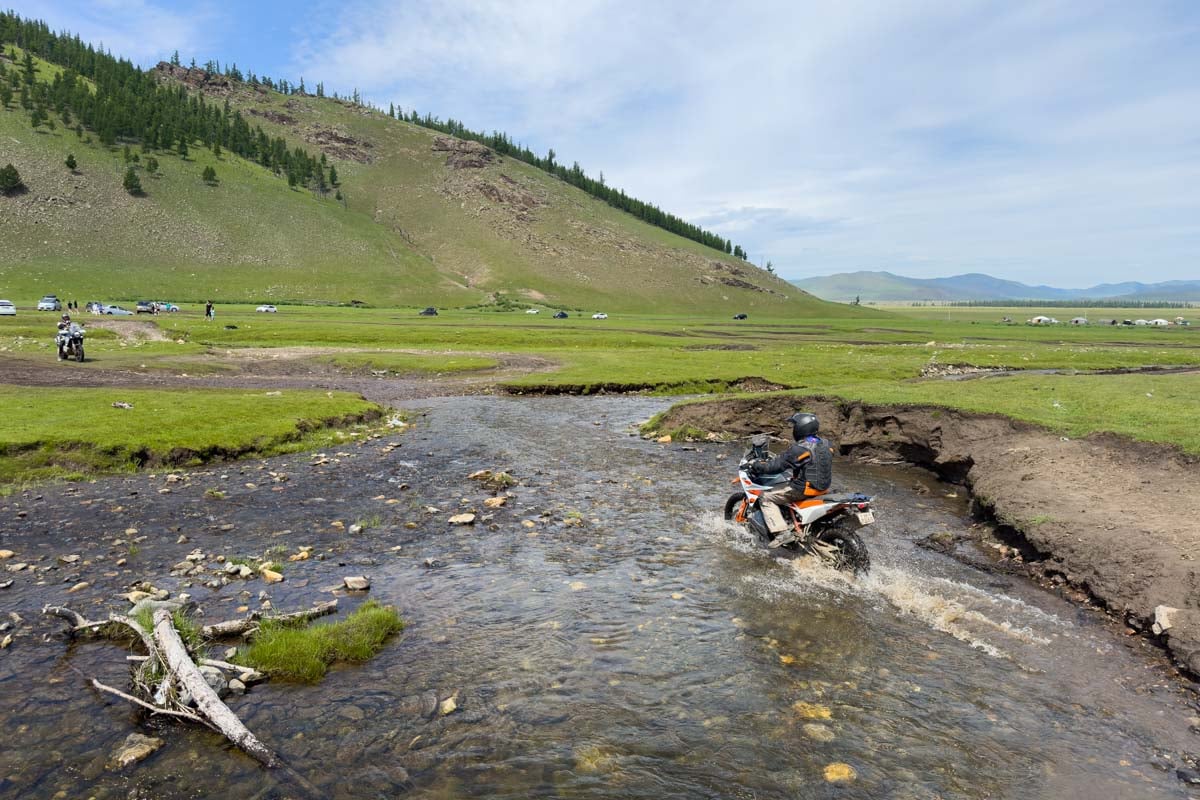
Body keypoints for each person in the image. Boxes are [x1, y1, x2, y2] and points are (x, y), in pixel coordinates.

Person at [747, 412, 834, 539]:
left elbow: (774, 467)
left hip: (804, 489)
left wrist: (757, 465)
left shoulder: (800, 448)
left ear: (801, 428)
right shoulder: (826, 444)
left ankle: (781, 532)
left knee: (765, 497)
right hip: (823, 488)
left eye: (794, 426)